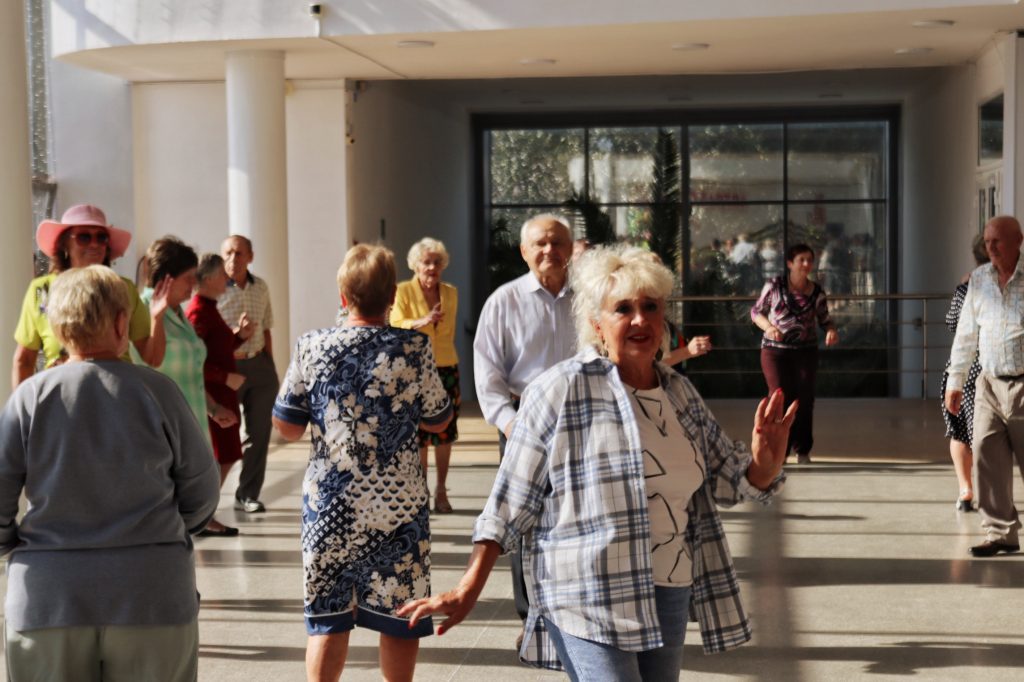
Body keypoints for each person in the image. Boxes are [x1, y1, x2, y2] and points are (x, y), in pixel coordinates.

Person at [399, 244, 794, 679]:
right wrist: (468, 587)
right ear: (596, 324)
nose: (640, 319)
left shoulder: (679, 394)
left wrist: (765, 463)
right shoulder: (558, 389)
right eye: (623, 309)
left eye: (650, 306)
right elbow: (510, 500)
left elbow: (729, 479)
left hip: (669, 586)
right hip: (585, 590)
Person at [0, 265, 220, 681]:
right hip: (152, 592)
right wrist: (166, 532)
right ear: (121, 323)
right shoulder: (158, 391)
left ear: (58, 328)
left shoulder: (29, 398)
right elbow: (202, 491)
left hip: (48, 595)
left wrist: (17, 545)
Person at [272, 244, 453, 682]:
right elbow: (439, 419)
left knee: (328, 617)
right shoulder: (414, 347)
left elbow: (287, 426)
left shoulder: (311, 346)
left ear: (343, 296)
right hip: (398, 508)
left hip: (330, 507)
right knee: (400, 616)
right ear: (392, 296)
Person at [473, 213, 576, 625]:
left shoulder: (588, 298)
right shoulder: (504, 301)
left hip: (581, 420)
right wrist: (510, 424)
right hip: (524, 423)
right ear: (524, 251)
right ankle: (530, 616)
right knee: (521, 518)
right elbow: (488, 371)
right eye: (540, 243)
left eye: (557, 242)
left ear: (571, 248)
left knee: (576, 513)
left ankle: (571, 611)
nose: (549, 250)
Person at [134, 238, 241, 537]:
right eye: (188, 278)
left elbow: (191, 371)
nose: (194, 285)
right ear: (166, 278)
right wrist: (156, 319)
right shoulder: (142, 310)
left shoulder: (178, 312)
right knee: (166, 522)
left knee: (183, 521)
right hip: (161, 432)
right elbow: (148, 365)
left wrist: (213, 408)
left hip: (190, 425)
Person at [12, 203, 169, 388]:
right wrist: (24, 403)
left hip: (117, 392)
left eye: (101, 237)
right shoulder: (42, 290)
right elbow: (24, 361)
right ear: (64, 244)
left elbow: (153, 358)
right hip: (62, 394)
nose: (94, 244)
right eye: (84, 237)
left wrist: (157, 317)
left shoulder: (123, 288)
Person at [946, 215, 1024, 558]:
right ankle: (1000, 532)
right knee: (985, 454)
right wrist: (956, 380)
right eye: (987, 242)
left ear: (1019, 240)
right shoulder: (979, 279)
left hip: (1023, 385)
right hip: (988, 385)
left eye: (997, 242)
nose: (990, 248)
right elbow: (966, 332)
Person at [390, 238, 460, 513]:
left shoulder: (451, 293)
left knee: (445, 432)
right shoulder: (402, 290)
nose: (432, 267)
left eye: (437, 262)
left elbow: (447, 330)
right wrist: (422, 321)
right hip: (414, 368)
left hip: (446, 365)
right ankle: (421, 490)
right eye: (426, 262)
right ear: (415, 265)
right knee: (419, 434)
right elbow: (395, 323)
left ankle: (441, 489)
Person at [187, 253, 256, 535]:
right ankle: (202, 515)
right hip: (212, 396)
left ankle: (204, 514)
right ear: (208, 279)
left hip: (221, 394)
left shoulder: (209, 309)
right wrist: (224, 377)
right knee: (221, 455)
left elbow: (216, 348)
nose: (227, 279)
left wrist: (240, 336)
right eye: (221, 275)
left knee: (226, 454)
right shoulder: (198, 312)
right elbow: (194, 360)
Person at [751, 243, 839, 464]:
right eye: (801, 260)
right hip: (775, 352)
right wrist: (769, 327)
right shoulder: (774, 286)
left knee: (804, 399)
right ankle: (778, 450)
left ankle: (802, 450)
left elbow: (825, 319)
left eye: (809, 260)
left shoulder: (817, 292)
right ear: (790, 263)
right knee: (779, 396)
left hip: (805, 352)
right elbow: (756, 312)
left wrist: (831, 331)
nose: (806, 264)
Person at [218, 235, 277, 513]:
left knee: (259, 433)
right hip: (228, 367)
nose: (233, 259)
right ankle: (207, 497)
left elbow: (266, 328)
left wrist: (271, 365)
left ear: (250, 257)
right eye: (228, 253)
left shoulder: (261, 286)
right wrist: (235, 335)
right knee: (224, 434)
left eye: (239, 253)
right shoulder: (215, 288)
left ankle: (247, 494)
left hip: (259, 364)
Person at [939, 235, 989, 512]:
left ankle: (966, 489)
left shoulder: (966, 288)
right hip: (988, 371)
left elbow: (952, 323)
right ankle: (987, 490)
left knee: (959, 432)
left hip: (965, 370)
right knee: (986, 435)